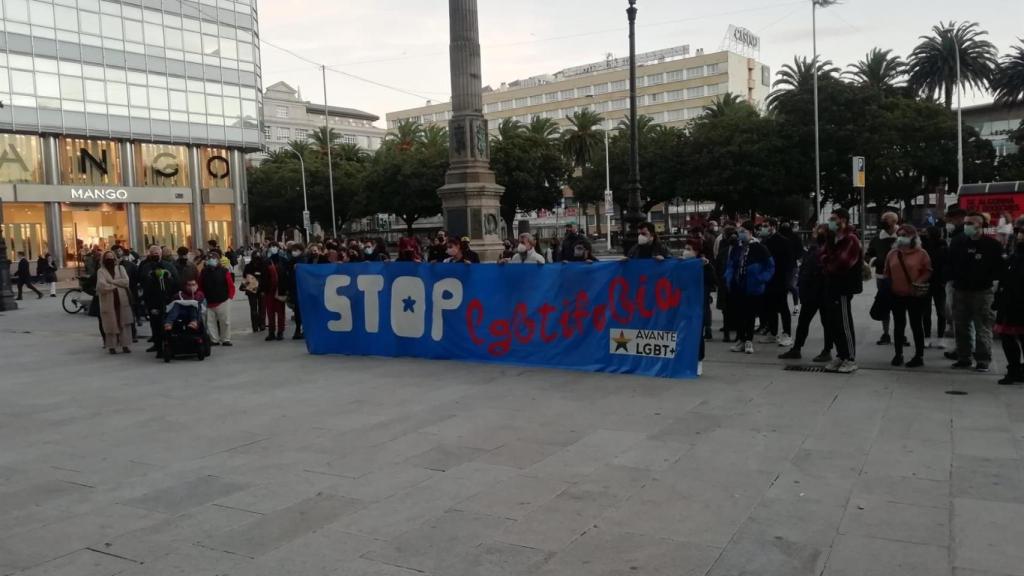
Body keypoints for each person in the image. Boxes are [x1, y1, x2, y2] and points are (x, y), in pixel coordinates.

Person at [949, 212, 1004, 372]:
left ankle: (983, 359)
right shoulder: (958, 242)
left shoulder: (992, 245)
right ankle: (963, 357)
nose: (967, 226)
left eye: (971, 223)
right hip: (960, 290)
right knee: (960, 326)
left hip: (982, 292)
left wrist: (992, 284)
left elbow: (998, 269)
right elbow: (950, 263)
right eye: (966, 223)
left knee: (983, 327)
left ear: (981, 225)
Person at [780, 225, 833, 362]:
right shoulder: (814, 248)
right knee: (804, 321)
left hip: (822, 291)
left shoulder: (828, 249)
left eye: (816, 231)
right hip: (811, 292)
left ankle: (827, 350)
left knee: (827, 323)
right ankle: (797, 348)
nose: (814, 233)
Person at [820, 208, 863, 373]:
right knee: (833, 322)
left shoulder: (851, 239)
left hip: (844, 286)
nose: (830, 221)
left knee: (844, 322)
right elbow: (821, 255)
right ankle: (841, 354)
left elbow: (843, 263)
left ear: (843, 220)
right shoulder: (832, 237)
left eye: (833, 218)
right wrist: (829, 261)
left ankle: (850, 358)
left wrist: (828, 262)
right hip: (831, 284)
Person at [884, 224, 932, 368]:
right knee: (899, 325)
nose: (901, 237)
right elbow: (887, 272)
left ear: (913, 237)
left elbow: (928, 271)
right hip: (896, 294)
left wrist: (918, 282)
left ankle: (919, 355)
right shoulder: (892, 253)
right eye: (899, 235)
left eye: (905, 235)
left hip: (914, 295)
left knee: (916, 325)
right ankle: (898, 354)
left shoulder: (921, 253)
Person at [724, 221, 775, 354]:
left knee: (750, 315)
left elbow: (770, 266)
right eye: (739, 231)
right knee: (739, 314)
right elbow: (731, 264)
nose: (740, 234)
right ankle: (740, 339)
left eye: (743, 231)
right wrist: (729, 278)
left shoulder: (759, 247)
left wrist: (761, 279)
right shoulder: (737, 247)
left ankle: (748, 340)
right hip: (738, 285)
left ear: (750, 232)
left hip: (752, 286)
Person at [995, 223, 1024, 385]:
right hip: (1008, 303)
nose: (1020, 236)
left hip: (1018, 303)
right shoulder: (1014, 256)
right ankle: (1014, 369)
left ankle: (1017, 370)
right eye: (1019, 233)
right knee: (1007, 338)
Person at [758, 219, 794, 347]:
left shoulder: (783, 241)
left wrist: (787, 280)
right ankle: (773, 333)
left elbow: (789, 262)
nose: (763, 228)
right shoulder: (764, 241)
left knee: (783, 307)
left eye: (765, 226)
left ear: (773, 227)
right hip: (768, 280)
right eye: (762, 226)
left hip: (779, 279)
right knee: (770, 307)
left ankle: (787, 333)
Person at [866, 212, 899, 345]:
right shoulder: (877, 238)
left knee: (899, 307)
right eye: (882, 219)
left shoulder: (902, 236)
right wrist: (875, 261)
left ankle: (899, 333)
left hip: (899, 277)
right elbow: (868, 254)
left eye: (886, 219)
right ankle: (885, 333)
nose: (883, 221)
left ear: (894, 221)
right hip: (882, 276)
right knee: (884, 305)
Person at [140, 245, 180, 356]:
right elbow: (142, 281)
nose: (155, 255)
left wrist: (168, 278)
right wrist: (150, 277)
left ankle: (170, 344)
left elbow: (176, 281)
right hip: (153, 300)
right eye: (153, 253)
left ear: (161, 254)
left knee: (168, 322)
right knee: (155, 323)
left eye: (157, 253)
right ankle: (158, 346)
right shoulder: (145, 266)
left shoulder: (168, 266)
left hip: (167, 299)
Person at [96, 250, 134, 354]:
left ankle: (125, 345)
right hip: (109, 301)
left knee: (124, 322)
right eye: (107, 258)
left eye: (111, 257)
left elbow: (126, 282)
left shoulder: (121, 268)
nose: (110, 260)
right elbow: (101, 285)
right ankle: (111, 346)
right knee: (111, 323)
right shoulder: (101, 271)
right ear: (104, 259)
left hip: (122, 300)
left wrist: (112, 282)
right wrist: (116, 285)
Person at [199, 249, 235, 346]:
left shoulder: (224, 271)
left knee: (225, 322)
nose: (212, 260)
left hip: (223, 300)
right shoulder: (204, 272)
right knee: (210, 322)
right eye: (210, 258)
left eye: (214, 258)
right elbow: (201, 285)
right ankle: (214, 339)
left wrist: (230, 297)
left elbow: (230, 285)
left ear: (218, 260)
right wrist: (202, 297)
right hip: (209, 300)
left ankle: (226, 339)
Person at [922, 226, 948, 348]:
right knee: (927, 312)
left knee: (940, 312)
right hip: (930, 282)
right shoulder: (924, 247)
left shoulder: (943, 247)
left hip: (937, 282)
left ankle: (939, 337)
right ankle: (928, 337)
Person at [715, 225, 738, 342]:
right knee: (727, 309)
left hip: (735, 284)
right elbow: (718, 267)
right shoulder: (724, 251)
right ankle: (727, 333)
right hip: (725, 284)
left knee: (735, 309)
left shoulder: (741, 250)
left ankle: (737, 334)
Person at [263, 243, 287, 341]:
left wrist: (285, 289)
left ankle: (280, 332)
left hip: (280, 289)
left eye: (275, 246)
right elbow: (263, 277)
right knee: (270, 312)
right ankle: (271, 332)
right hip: (269, 290)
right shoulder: (265, 261)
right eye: (271, 246)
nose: (273, 248)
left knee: (280, 312)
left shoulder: (283, 260)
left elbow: (286, 275)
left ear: (278, 248)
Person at [241, 251, 265, 332]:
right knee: (259, 308)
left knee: (255, 308)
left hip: (254, 290)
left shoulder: (249, 266)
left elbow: (244, 277)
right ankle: (260, 325)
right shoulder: (261, 265)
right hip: (256, 290)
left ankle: (257, 325)